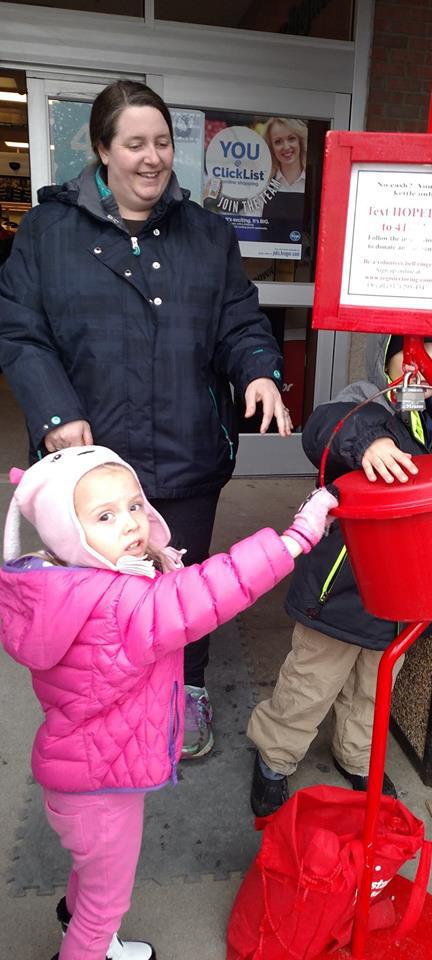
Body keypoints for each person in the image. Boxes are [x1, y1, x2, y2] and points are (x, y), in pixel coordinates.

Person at [0, 80, 292, 761]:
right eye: (134, 143)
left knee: (181, 582)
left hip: (187, 451)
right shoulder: (48, 233)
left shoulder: (207, 234)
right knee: (98, 593)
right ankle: (106, 694)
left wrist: (257, 368)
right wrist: (55, 412)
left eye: (161, 143)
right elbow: (19, 332)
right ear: (103, 150)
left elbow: (238, 320)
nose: (151, 157)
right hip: (92, 465)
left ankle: (185, 690)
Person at [0, 445, 338, 960]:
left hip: (80, 772)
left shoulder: (62, 584)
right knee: (104, 902)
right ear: (68, 533)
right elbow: (213, 587)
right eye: (105, 516)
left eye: (135, 505)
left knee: (92, 872)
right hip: (103, 787)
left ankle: (77, 917)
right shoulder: (123, 605)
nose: (132, 523)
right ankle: (88, 941)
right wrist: (296, 539)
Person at [247, 334, 432, 817]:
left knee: (374, 690)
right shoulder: (365, 401)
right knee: (310, 682)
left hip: (406, 593)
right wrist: (370, 441)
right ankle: (275, 756)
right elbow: (324, 428)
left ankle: (356, 756)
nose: (425, 368)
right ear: (389, 358)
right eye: (413, 356)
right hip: (341, 586)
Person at [263, 117, 308, 193]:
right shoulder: (264, 185)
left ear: (300, 141)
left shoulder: (314, 182)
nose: (286, 147)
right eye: (278, 142)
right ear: (271, 147)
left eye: (291, 139)